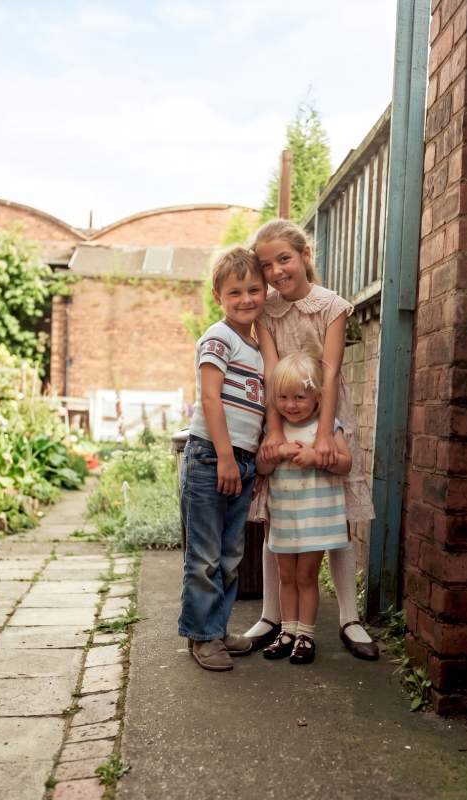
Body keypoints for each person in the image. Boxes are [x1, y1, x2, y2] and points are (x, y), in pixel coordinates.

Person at [244, 219, 379, 661]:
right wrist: (275, 428)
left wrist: (324, 435)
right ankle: (271, 616)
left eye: (284, 259)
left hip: (327, 416)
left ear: (304, 255)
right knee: (275, 517)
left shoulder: (332, 307)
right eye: (267, 265)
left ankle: (347, 616)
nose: (277, 271)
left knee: (333, 516)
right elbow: (269, 370)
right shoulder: (266, 312)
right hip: (282, 411)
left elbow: (333, 371)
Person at [178, 246, 267, 671]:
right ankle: (200, 638)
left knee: (231, 556)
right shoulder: (219, 337)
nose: (246, 299)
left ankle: (215, 628)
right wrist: (228, 456)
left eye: (254, 290)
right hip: (213, 457)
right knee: (205, 555)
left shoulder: (256, 346)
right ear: (218, 296)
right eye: (235, 292)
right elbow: (209, 398)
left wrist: (249, 459)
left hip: (242, 460)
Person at [255, 343, 352, 664]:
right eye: (283, 397)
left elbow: (345, 464)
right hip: (284, 516)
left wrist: (316, 457)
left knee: (307, 576)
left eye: (300, 397)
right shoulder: (274, 430)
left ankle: (306, 636)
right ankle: (287, 630)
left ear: (317, 397)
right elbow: (263, 468)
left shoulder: (327, 427)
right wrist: (277, 452)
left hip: (316, 518)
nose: (291, 405)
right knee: (286, 577)